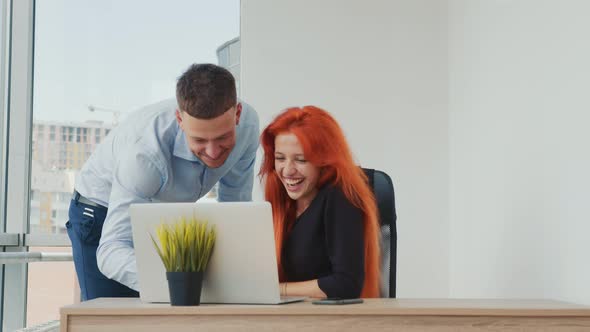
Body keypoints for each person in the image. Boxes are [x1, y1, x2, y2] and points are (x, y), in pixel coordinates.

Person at [66, 64, 259, 301]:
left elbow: (234, 209)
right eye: (199, 139)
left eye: (222, 137)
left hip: (158, 212)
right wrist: (183, 284)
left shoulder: (248, 128)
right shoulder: (144, 155)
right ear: (180, 119)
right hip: (99, 213)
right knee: (113, 320)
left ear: (237, 114)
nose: (213, 151)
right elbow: (111, 252)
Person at [259, 106, 380, 299]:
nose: (287, 170)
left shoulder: (340, 197)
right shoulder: (282, 199)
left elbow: (346, 284)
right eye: (280, 158)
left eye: (301, 160)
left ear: (325, 161)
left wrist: (277, 289)